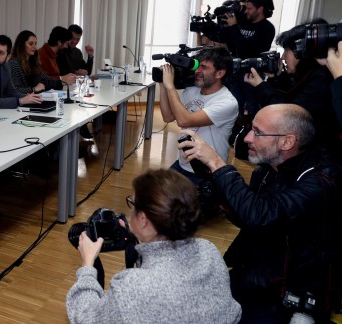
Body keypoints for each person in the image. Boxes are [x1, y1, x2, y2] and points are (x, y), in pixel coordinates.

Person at [180, 104, 342, 322]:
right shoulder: (270, 167)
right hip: (258, 272)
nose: (247, 138)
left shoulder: (321, 181)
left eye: (257, 132)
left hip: (293, 294)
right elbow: (249, 217)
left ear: (287, 142)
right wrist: (218, 190)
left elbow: (261, 215)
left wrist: (217, 163)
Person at [66, 169, 241, 323]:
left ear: (143, 219)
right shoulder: (209, 250)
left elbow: (86, 317)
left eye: (133, 204)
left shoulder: (133, 287)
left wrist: (88, 265)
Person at [244, 19, 341, 160]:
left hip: (318, 156)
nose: (283, 57)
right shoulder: (308, 73)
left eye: (287, 50)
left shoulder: (322, 77)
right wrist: (276, 78)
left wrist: (261, 86)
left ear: (302, 51)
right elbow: (288, 95)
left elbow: (290, 114)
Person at [158, 47, 238, 185]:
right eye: (198, 66)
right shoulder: (192, 90)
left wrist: (171, 87)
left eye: (204, 67)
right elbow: (168, 117)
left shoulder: (227, 102)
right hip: (184, 163)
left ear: (219, 73)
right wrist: (163, 85)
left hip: (209, 170)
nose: (197, 71)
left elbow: (184, 121)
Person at [220, 0, 276, 116]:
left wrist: (234, 27)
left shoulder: (267, 28)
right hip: (237, 70)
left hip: (253, 72)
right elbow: (232, 46)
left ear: (260, 9)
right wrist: (227, 28)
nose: (246, 12)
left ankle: (253, 130)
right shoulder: (243, 23)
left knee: (253, 106)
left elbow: (247, 51)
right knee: (235, 104)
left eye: (249, 8)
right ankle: (236, 131)